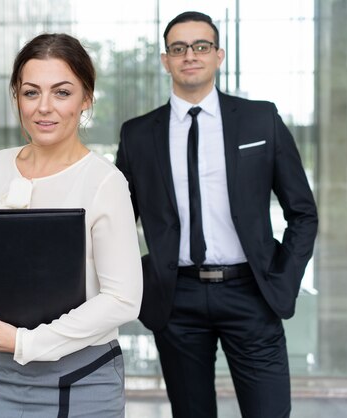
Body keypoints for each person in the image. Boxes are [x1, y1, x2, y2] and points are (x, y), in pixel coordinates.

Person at [116, 11, 318, 418]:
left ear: (218, 55)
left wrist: (283, 277)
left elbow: (303, 213)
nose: (190, 55)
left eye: (201, 46)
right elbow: (119, 222)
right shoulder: (138, 133)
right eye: (179, 48)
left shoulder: (261, 119)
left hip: (251, 292)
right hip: (177, 299)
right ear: (165, 60)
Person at [0, 33, 142, 417]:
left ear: (86, 99)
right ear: (16, 97)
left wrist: (26, 342)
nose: (44, 108)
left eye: (61, 92)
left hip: (83, 378)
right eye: (30, 93)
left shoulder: (104, 181)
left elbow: (124, 299)